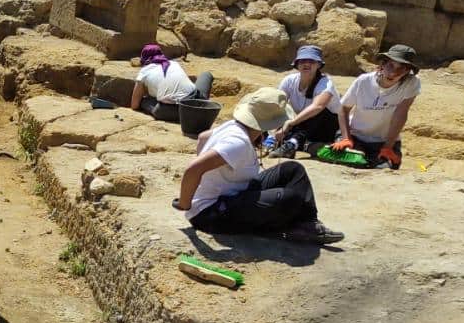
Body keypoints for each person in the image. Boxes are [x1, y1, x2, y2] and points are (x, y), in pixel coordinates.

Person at [174, 87, 344, 245]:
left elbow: (203, 137)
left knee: (293, 170)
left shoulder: (234, 125)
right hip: (212, 214)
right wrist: (185, 204)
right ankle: (289, 228)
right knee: (289, 198)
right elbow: (193, 169)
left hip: (235, 194)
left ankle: (309, 224)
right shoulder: (238, 142)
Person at [334, 44, 420, 170]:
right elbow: (343, 109)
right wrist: (346, 138)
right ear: (383, 64)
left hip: (384, 140)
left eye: (401, 68)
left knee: (385, 168)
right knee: (353, 161)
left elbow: (401, 113)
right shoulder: (363, 81)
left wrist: (388, 146)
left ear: (407, 71)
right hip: (356, 135)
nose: (393, 72)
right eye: (390, 65)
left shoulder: (411, 83)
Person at [268, 45, 341, 158]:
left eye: (311, 61)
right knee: (284, 108)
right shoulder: (289, 81)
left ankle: (293, 144)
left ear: (318, 64)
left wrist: (291, 123)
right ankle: (274, 140)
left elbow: (318, 107)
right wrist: (276, 130)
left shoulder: (326, 84)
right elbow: (278, 104)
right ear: (297, 64)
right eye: (302, 61)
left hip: (326, 126)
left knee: (317, 111)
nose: (306, 64)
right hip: (303, 125)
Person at [131, 43, 213, 122]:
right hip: (197, 102)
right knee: (206, 75)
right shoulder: (174, 63)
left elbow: (134, 105)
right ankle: (202, 108)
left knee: (144, 101)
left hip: (174, 112)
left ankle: (187, 114)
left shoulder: (144, 72)